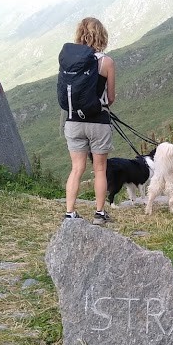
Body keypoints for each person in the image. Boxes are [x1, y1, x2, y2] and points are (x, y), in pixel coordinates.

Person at [63, 17, 117, 224]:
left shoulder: (70, 61)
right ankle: (100, 213)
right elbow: (110, 98)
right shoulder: (107, 62)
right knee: (100, 169)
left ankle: (70, 212)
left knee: (76, 168)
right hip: (98, 122)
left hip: (73, 121)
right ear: (101, 35)